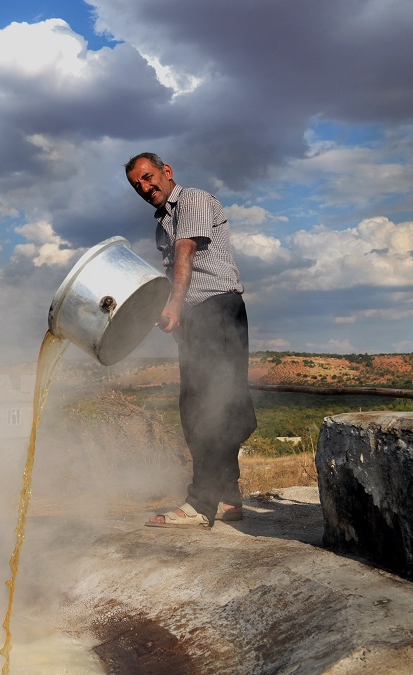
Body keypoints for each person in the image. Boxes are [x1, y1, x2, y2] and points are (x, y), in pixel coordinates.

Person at [124, 152, 257, 528]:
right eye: (137, 185)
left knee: (207, 407)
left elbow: (186, 250)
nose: (145, 188)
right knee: (212, 403)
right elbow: (174, 270)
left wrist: (176, 305)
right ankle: (229, 497)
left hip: (217, 309)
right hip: (198, 318)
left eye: (149, 177)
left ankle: (201, 504)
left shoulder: (193, 201)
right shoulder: (161, 222)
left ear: (167, 172)